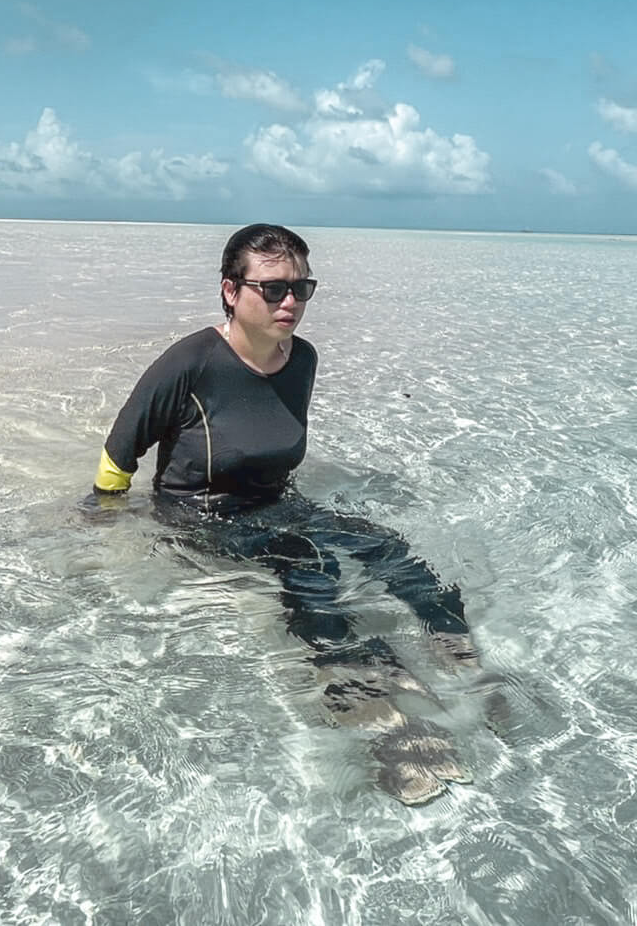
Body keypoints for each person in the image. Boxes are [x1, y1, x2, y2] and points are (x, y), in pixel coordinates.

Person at [92, 223, 486, 805]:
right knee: (310, 569)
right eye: (273, 288)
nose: (291, 303)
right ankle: (378, 716)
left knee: (386, 547)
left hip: (278, 503)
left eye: (301, 288)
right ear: (231, 291)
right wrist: (108, 532)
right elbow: (115, 462)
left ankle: (467, 664)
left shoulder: (302, 359)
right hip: (203, 517)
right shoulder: (190, 363)